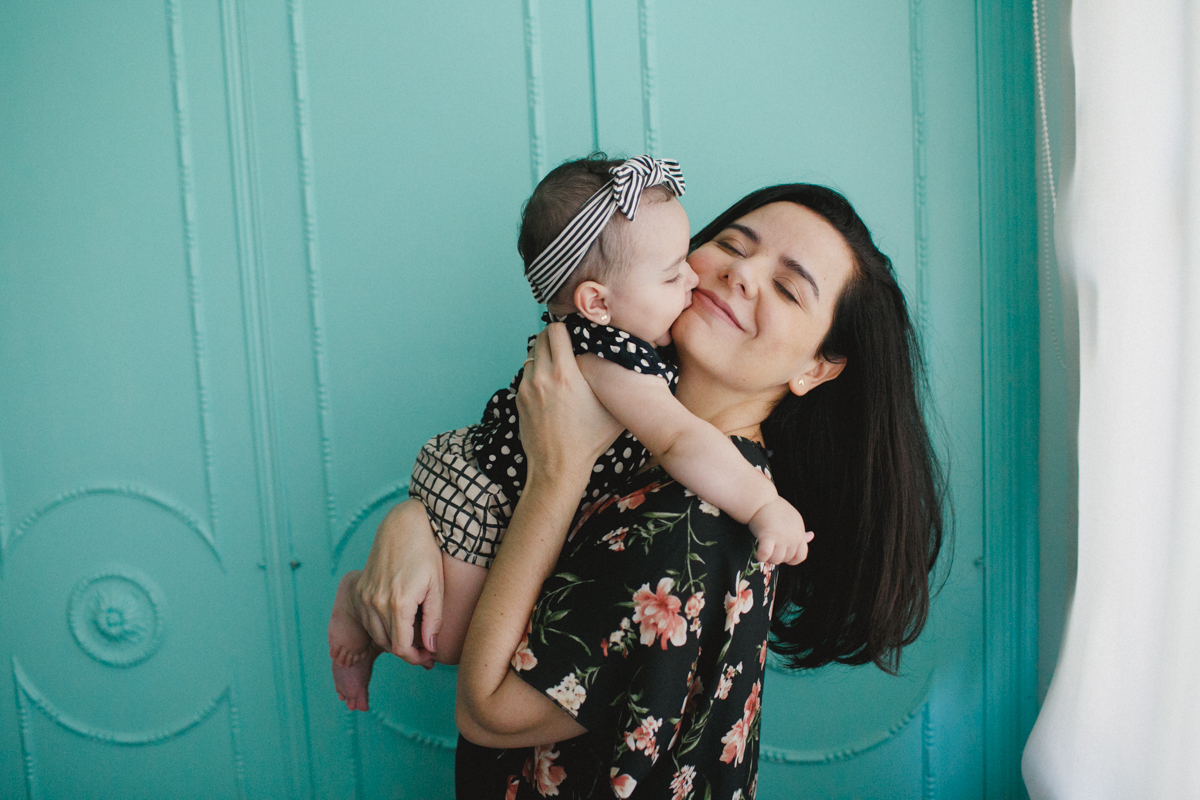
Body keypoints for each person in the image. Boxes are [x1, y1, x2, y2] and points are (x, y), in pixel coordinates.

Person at [353, 183, 946, 798]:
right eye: (730, 245)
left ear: (816, 368)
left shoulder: (700, 514)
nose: (741, 274)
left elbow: (484, 710)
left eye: (789, 289)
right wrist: (415, 523)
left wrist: (557, 474)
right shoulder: (632, 445)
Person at [328, 155, 812, 712]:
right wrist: (762, 504)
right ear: (597, 302)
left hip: (484, 475)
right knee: (447, 639)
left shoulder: (619, 338)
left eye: (789, 289)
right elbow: (681, 440)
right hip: (484, 492)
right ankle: (355, 599)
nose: (696, 278)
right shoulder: (612, 355)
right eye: (674, 270)